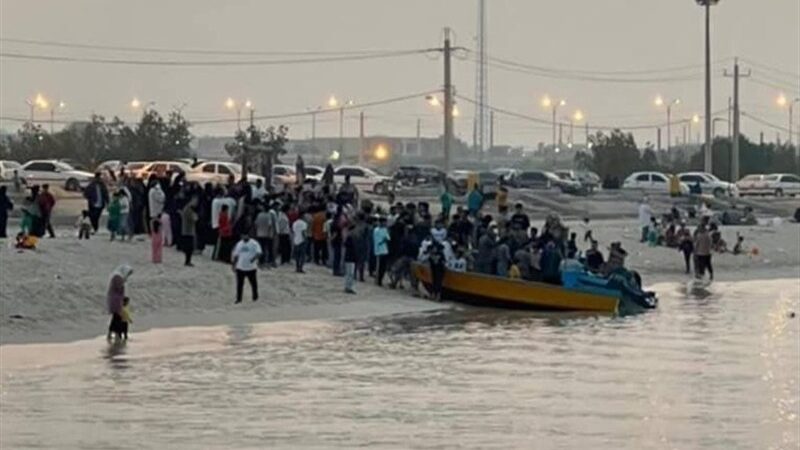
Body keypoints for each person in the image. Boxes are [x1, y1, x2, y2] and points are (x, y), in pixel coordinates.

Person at [231, 232, 262, 303]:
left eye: (245, 235)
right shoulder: (239, 244)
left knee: (253, 283)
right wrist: (233, 265)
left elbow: (259, 253)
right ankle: (239, 299)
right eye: (242, 235)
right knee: (239, 284)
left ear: (248, 235)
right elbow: (236, 255)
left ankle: (255, 297)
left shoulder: (254, 243)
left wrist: (253, 259)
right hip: (240, 267)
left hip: (251, 267)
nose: (244, 237)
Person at [106, 265, 133, 341]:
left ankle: (112, 333)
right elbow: (119, 288)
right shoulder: (118, 277)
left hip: (115, 300)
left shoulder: (117, 276)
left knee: (116, 318)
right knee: (117, 318)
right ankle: (116, 334)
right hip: (116, 301)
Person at [180, 197, 199, 267]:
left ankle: (187, 261)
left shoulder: (186, 208)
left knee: (188, 247)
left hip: (186, 230)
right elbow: (195, 219)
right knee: (189, 248)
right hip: (189, 231)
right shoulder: (189, 210)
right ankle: (187, 261)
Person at [373, 216, 391, 286]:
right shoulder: (376, 230)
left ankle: (380, 279)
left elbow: (388, 238)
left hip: (385, 250)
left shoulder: (385, 230)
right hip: (378, 250)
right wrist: (383, 240)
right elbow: (377, 240)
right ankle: (377, 280)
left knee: (383, 267)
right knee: (378, 266)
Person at [343, 223, 358, 294]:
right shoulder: (351, 237)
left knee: (349, 273)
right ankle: (349, 287)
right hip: (350, 257)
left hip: (349, 257)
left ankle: (348, 286)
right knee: (350, 273)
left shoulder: (349, 237)